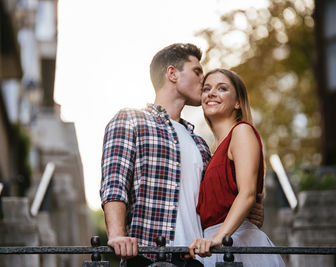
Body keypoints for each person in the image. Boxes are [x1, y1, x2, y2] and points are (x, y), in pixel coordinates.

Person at [100, 44, 264, 267]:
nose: (202, 80)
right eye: (197, 72)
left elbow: (217, 196)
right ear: (172, 74)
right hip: (148, 256)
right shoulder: (131, 119)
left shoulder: (200, 143)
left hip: (197, 258)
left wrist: (251, 210)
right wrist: (117, 234)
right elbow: (114, 183)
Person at [188, 69, 285, 267]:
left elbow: (247, 194)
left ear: (238, 102)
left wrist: (217, 238)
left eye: (222, 88)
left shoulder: (241, 131)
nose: (211, 93)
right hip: (215, 245)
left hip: (234, 243)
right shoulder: (211, 152)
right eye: (207, 88)